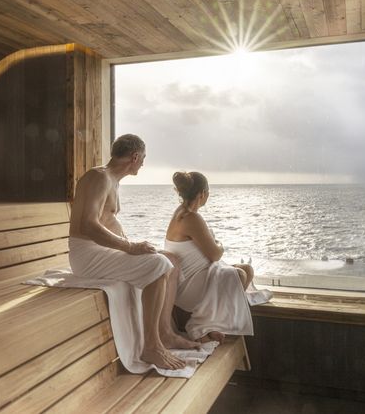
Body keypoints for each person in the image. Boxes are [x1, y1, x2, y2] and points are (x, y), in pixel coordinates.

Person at [68, 134, 198, 370]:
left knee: (169, 260)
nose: (143, 164)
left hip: (98, 251)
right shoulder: (100, 177)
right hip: (86, 255)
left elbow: (105, 222)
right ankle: (152, 347)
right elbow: (88, 225)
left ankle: (165, 333)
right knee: (158, 265)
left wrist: (133, 245)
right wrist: (129, 247)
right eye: (143, 158)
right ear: (135, 157)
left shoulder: (110, 180)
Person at [165, 171, 254, 344]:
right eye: (208, 192)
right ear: (202, 194)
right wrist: (219, 243)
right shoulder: (191, 217)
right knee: (239, 275)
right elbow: (215, 254)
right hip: (188, 285)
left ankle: (213, 323)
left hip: (198, 276)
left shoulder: (182, 212)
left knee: (247, 270)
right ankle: (200, 324)